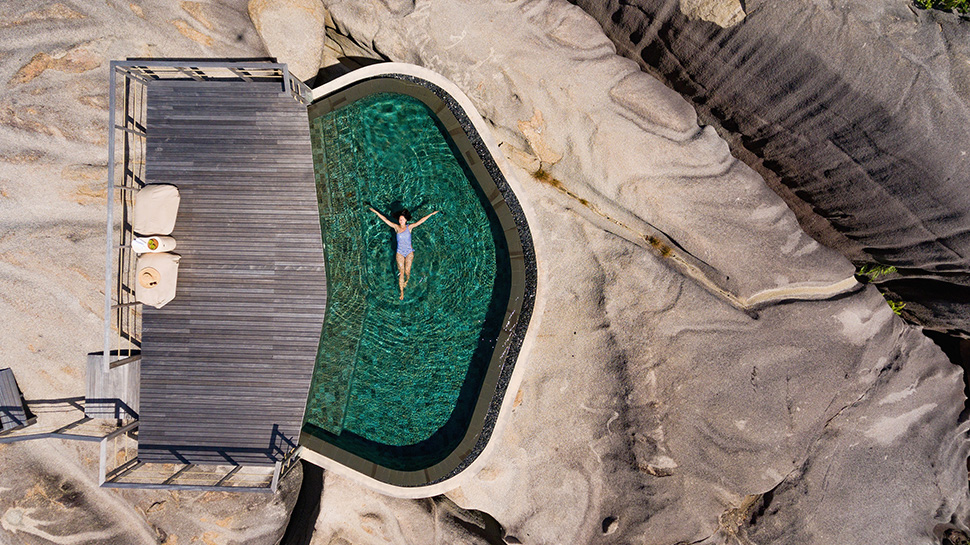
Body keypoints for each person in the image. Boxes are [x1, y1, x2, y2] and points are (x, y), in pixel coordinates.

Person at [368, 206, 439, 299]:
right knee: (401, 272)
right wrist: (375, 211)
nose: (401, 221)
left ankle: (407, 280)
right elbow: (385, 219)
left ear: (406, 220)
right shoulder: (396, 227)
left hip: (409, 252)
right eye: (400, 219)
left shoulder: (410, 227)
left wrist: (431, 214)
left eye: (402, 219)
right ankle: (402, 292)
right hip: (400, 252)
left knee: (407, 271)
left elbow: (420, 221)